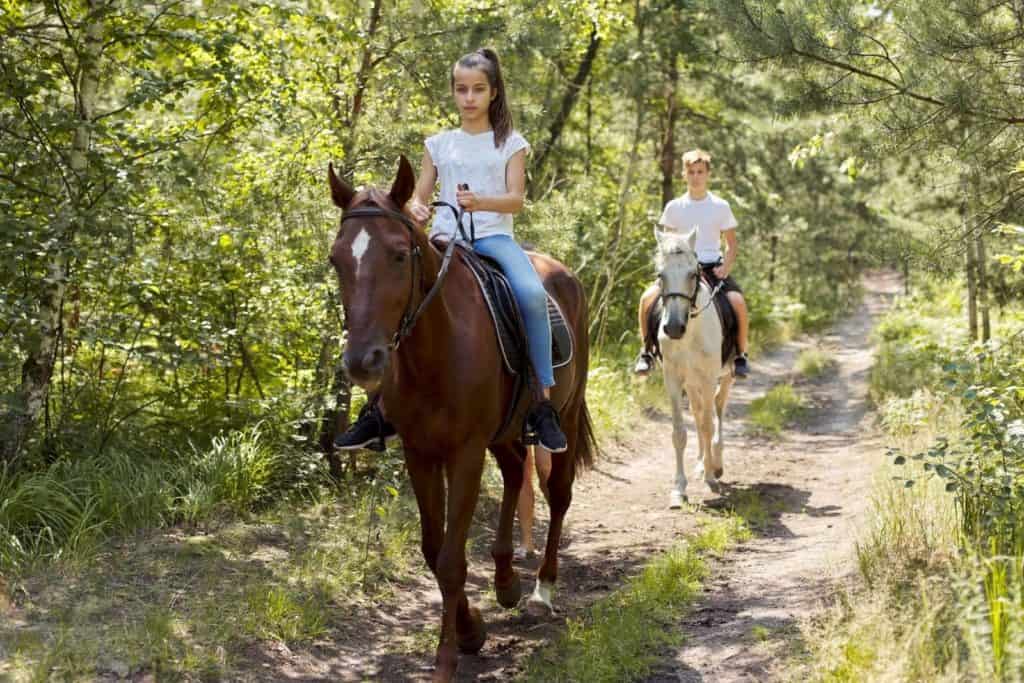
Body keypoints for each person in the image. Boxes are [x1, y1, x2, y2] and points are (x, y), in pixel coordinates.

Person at [334, 47, 568, 457]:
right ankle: (379, 407)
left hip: (494, 240)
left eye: (478, 89)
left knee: (531, 295)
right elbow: (419, 199)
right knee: (401, 300)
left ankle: (541, 402)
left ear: (493, 93)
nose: (469, 98)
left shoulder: (511, 143)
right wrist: (417, 208)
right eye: (462, 90)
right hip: (444, 240)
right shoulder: (439, 144)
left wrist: (482, 202)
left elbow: (516, 200)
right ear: (454, 93)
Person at [634, 149, 751, 378]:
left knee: (737, 302)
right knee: (646, 299)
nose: (695, 176)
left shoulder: (720, 206)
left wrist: (725, 268)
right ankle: (646, 352)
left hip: (710, 268)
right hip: (679, 272)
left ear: (708, 174)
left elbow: (732, 245)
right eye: (691, 172)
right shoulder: (674, 208)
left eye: (700, 172)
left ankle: (740, 354)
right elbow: (666, 246)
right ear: (684, 175)